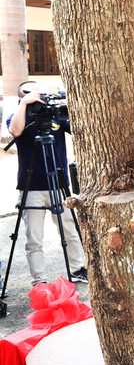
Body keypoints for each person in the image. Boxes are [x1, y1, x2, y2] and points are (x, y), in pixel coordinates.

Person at [7, 82, 88, 285]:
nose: (40, 95)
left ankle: (78, 269)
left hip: (59, 185)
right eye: (33, 93)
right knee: (33, 237)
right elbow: (14, 131)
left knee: (69, 229)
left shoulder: (54, 115)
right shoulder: (21, 116)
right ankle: (39, 280)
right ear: (22, 97)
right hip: (31, 185)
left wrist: (68, 105)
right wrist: (25, 104)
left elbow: (80, 130)